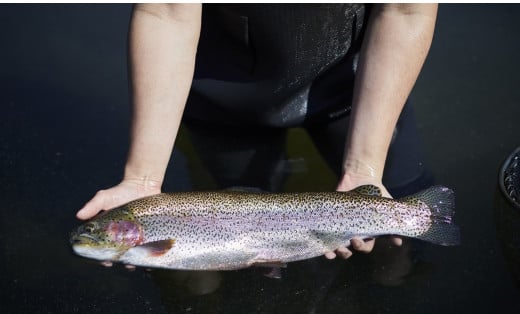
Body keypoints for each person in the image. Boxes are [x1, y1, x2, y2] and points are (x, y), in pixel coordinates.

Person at [76, 3, 438, 260]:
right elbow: (167, 11)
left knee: (409, 215)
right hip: (223, 100)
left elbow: (406, 10)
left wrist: (365, 168)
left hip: (358, 88)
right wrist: (141, 179)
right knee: (238, 218)